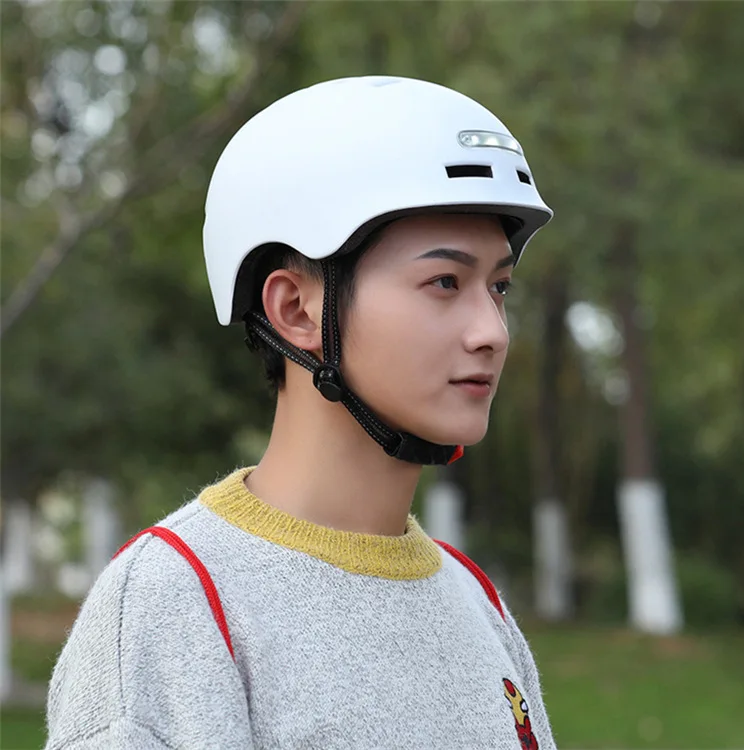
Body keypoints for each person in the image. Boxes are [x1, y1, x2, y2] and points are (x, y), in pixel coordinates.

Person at [45, 76, 555, 749]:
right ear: (295, 309)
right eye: (444, 282)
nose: (491, 331)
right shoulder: (176, 604)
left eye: (498, 287)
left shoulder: (476, 601)